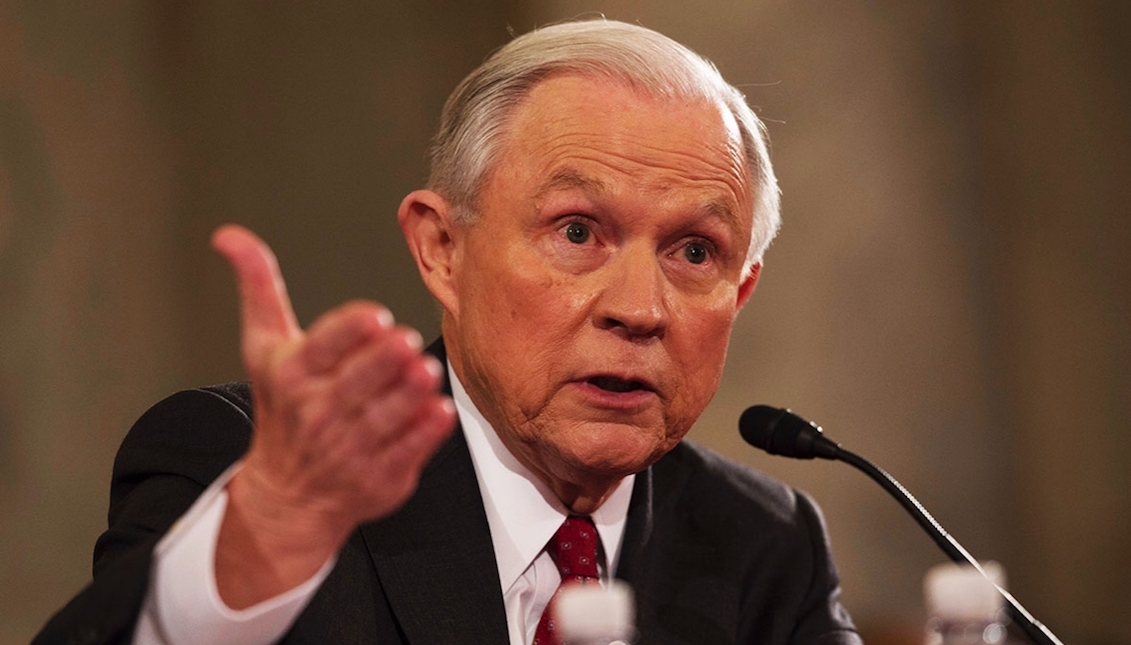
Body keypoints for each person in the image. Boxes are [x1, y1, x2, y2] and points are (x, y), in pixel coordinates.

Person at [34, 19, 860, 645]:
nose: (639, 308)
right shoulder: (256, 473)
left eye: (693, 250)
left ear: (741, 289)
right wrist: (248, 556)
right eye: (576, 231)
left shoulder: (762, 542)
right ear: (442, 248)